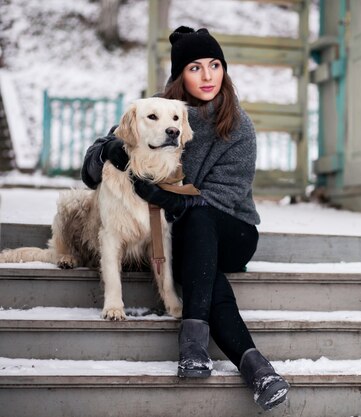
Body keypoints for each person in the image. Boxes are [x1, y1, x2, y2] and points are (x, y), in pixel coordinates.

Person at [81, 26, 290, 412]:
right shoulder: (157, 112)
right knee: (201, 264)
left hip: (233, 230)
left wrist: (164, 197)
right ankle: (256, 368)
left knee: (199, 221)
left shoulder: (239, 127)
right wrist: (109, 148)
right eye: (195, 67)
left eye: (215, 65)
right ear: (180, 75)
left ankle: (191, 339)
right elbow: (90, 172)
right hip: (187, 239)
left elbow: (221, 199)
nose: (208, 76)